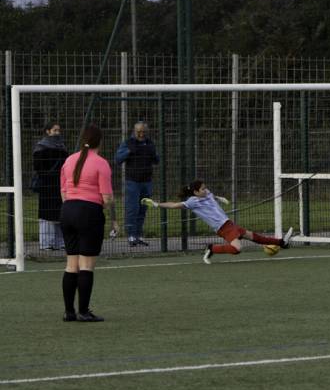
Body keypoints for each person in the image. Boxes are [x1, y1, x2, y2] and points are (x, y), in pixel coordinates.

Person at [140, 180, 295, 264]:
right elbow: (174, 205)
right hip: (222, 227)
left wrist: (219, 198)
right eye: (202, 189)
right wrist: (156, 204)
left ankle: (282, 243)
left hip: (228, 223)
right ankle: (212, 248)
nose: (205, 190)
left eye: (205, 187)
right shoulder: (192, 201)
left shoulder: (206, 193)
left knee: (254, 237)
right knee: (237, 248)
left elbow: (211, 196)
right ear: (195, 192)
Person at [60, 124, 118, 322]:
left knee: (71, 264)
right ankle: (83, 312)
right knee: (86, 264)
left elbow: (64, 192)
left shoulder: (68, 160)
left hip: (67, 211)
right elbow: (107, 198)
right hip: (89, 213)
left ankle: (69, 312)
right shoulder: (101, 163)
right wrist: (111, 216)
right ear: (100, 141)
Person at [115, 121, 159, 247]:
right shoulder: (128, 143)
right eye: (138, 132)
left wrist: (154, 154)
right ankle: (131, 235)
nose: (141, 134)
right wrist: (129, 151)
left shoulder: (150, 143)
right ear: (134, 131)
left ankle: (138, 235)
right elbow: (118, 159)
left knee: (143, 209)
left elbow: (157, 160)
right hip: (132, 182)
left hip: (147, 181)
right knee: (132, 209)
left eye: (143, 132)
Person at [32, 121, 69, 250]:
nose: (57, 133)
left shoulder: (62, 147)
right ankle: (46, 243)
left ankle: (60, 242)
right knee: (46, 214)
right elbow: (38, 168)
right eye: (54, 130)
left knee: (61, 213)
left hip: (61, 184)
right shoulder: (40, 147)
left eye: (58, 130)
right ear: (47, 131)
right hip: (47, 185)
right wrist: (49, 175)